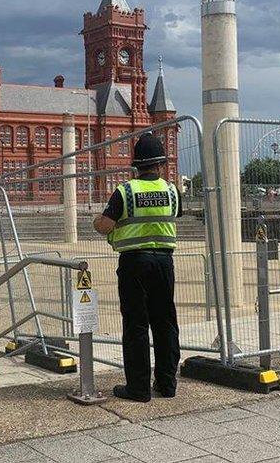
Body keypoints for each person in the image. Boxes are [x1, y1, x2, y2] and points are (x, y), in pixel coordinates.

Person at [93, 133, 182, 402]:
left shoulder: (126, 192)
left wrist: (102, 221)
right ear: (161, 164)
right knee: (165, 323)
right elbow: (176, 215)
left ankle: (139, 388)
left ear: (136, 165)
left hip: (134, 263)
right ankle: (167, 384)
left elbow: (104, 225)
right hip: (165, 262)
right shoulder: (171, 190)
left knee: (136, 325)